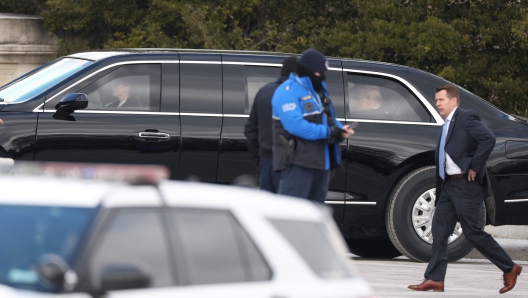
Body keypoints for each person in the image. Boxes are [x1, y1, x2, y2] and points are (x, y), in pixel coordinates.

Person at [408, 84, 521, 294]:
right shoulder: (445, 125)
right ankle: (435, 278)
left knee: (473, 233)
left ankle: (510, 267)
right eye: (436, 100)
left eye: (441, 100)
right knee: (439, 232)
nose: (437, 104)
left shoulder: (467, 118)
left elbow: (488, 139)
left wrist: (474, 166)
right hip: (449, 186)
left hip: (466, 186)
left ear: (454, 101)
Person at [271, 49, 354, 203]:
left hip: (321, 161)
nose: (322, 76)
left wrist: (340, 129)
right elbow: (296, 126)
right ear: (306, 71)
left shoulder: (318, 90)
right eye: (318, 73)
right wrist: (329, 132)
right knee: (291, 212)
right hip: (297, 162)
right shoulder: (286, 92)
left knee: (315, 212)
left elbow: (328, 117)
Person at [244, 56, 298, 193]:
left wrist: (258, 158)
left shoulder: (264, 92)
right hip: (289, 163)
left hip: (266, 161)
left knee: (268, 208)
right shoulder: (298, 95)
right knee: (288, 209)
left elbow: (250, 129)